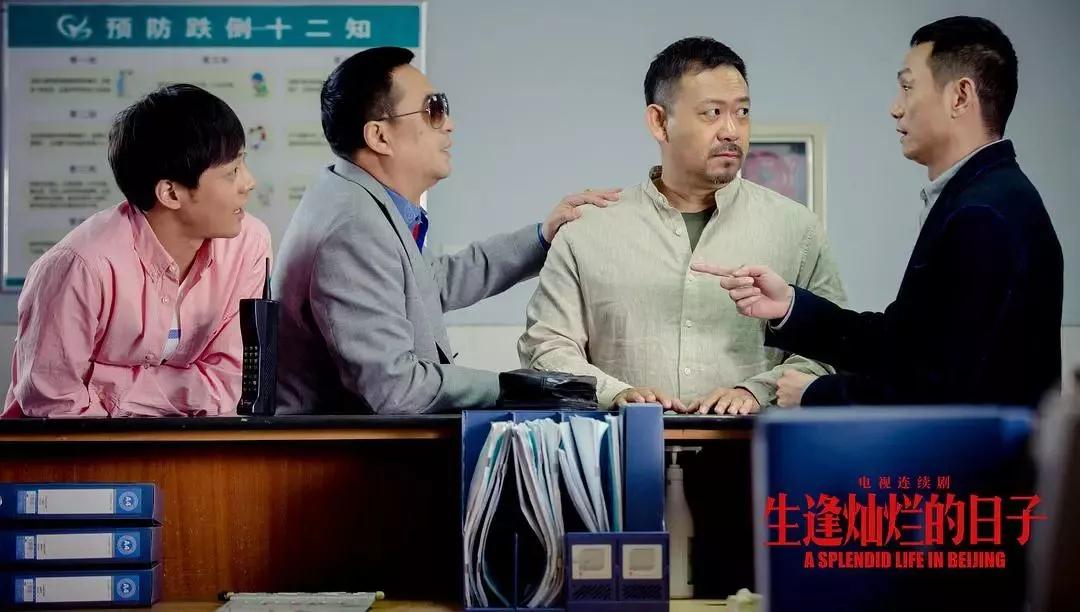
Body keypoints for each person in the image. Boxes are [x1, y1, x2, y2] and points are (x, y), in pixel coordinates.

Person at [695, 16, 1063, 407]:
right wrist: (789, 306)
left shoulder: (984, 214)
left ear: (959, 97)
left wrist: (816, 393)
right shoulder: (985, 197)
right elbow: (903, 342)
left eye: (908, 87)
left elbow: (948, 392)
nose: (895, 108)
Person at [273, 47, 617, 415]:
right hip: (336, 448)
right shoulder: (353, 228)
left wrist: (543, 238)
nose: (449, 124)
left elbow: (432, 283)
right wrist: (519, 387)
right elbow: (396, 388)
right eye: (433, 110)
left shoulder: (357, 199)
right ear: (380, 136)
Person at [518, 37, 845, 414]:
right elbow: (546, 346)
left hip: (756, 446)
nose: (732, 130)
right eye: (712, 113)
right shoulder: (587, 229)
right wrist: (616, 394)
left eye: (742, 112)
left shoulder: (797, 228)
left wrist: (756, 392)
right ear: (659, 122)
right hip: (624, 443)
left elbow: (831, 350)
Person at [4, 84, 270, 417]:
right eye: (231, 172)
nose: (249, 182)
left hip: (190, 445)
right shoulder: (80, 266)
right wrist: (182, 391)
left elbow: (232, 384)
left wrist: (101, 383)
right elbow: (55, 405)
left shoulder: (249, 243)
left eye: (242, 164)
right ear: (170, 193)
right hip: (77, 449)